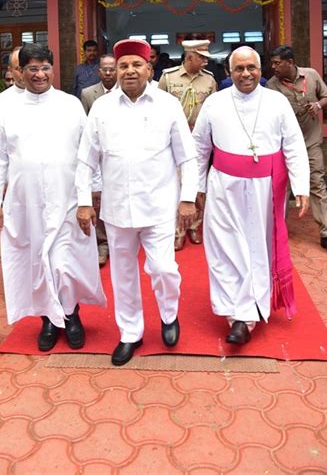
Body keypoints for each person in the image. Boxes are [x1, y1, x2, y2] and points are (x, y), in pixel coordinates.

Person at [76, 39, 198, 366]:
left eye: (136, 65)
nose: (129, 71)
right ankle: (131, 332)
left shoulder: (167, 104)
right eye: (123, 66)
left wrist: (187, 199)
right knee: (123, 275)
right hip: (116, 210)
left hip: (158, 206)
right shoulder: (101, 107)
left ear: (149, 68)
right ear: (115, 71)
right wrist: (84, 201)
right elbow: (86, 159)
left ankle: (169, 315)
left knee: (163, 269)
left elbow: (188, 158)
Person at [0, 43, 106, 352]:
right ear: (21, 73)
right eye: (33, 69)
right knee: (37, 261)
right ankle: (48, 321)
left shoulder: (69, 104)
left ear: (53, 69)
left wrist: (90, 197)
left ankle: (71, 315)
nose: (40, 74)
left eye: (45, 68)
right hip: (25, 202)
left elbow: (86, 153)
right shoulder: (4, 105)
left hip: (67, 200)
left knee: (66, 262)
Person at [193, 46, 309, 345]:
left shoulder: (276, 102)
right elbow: (199, 149)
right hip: (223, 186)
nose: (246, 74)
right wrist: (196, 188)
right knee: (222, 248)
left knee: (257, 248)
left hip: (265, 189)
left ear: (261, 69)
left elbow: (294, 145)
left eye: (251, 68)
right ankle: (233, 310)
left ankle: (246, 316)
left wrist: (301, 186)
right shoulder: (215, 103)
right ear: (229, 73)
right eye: (239, 69)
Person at [267, 45, 327, 250]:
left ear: (290, 62)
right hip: (284, 146)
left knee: (317, 182)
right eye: (272, 63)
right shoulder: (272, 86)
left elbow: (326, 96)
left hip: (311, 141)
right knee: (282, 186)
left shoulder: (311, 75)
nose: (273, 67)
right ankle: (278, 229)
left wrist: (318, 105)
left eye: (277, 63)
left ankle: (326, 233)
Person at [158, 39, 217, 250]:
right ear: (190, 56)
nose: (205, 62)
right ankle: (177, 230)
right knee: (175, 183)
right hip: (174, 138)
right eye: (202, 57)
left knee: (198, 183)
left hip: (199, 139)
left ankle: (194, 225)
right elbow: (159, 108)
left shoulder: (209, 81)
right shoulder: (168, 77)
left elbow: (213, 112)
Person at [80, 54, 117, 267]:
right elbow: (85, 129)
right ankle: (102, 244)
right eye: (105, 69)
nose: (109, 73)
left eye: (113, 69)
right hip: (97, 156)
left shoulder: (126, 92)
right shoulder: (87, 94)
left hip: (119, 156)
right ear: (99, 71)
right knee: (97, 198)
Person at [0, 46, 25, 135]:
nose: (24, 72)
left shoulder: (58, 100)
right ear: (10, 70)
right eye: (19, 69)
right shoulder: (1, 101)